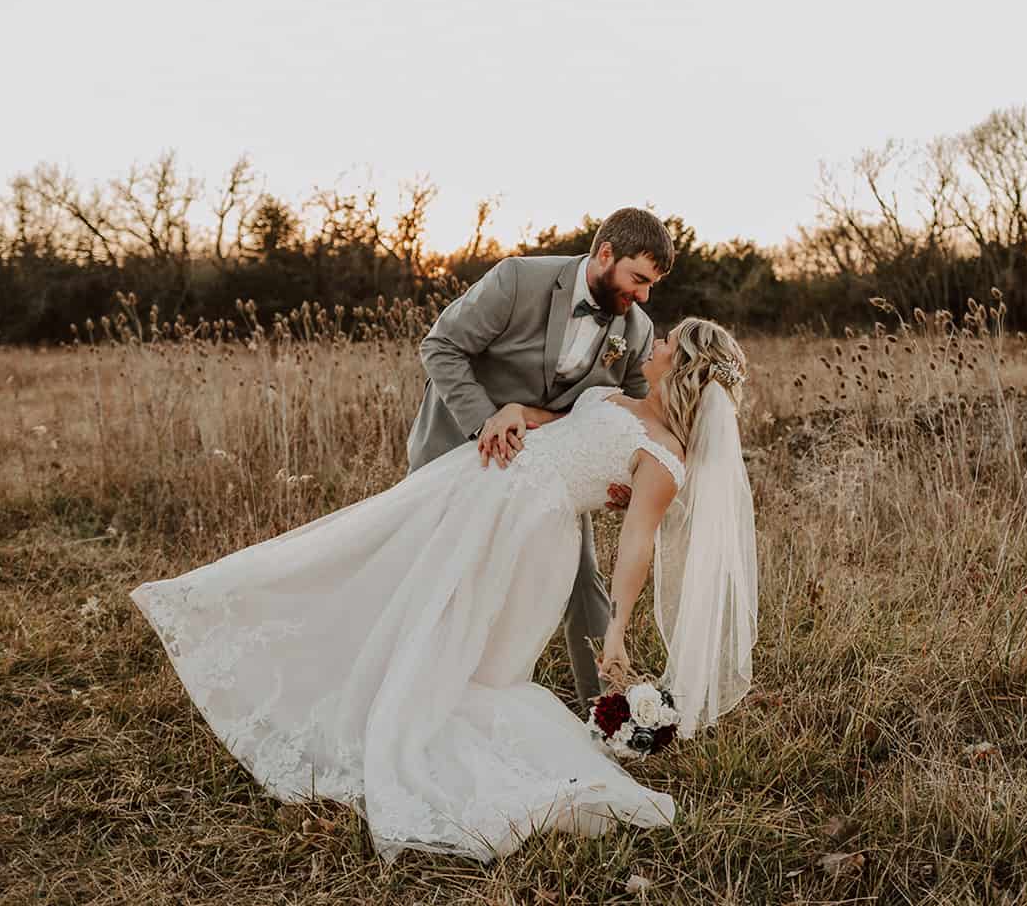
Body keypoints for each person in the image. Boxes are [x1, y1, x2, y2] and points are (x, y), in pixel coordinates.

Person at [130, 291, 758, 867]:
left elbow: (636, 546)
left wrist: (616, 631)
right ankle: (262, 621)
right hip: (477, 487)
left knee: (473, 657)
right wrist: (513, 409)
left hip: (530, 534)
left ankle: (423, 739)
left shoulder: (663, 458)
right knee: (378, 567)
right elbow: (550, 421)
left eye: (671, 344)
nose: (659, 345)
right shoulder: (612, 397)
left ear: (686, 370)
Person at [407, 207, 674, 711]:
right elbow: (440, 346)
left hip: (553, 468)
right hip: (459, 448)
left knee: (581, 579)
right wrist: (484, 421)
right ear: (605, 253)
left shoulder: (636, 329)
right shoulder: (516, 280)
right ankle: (417, 692)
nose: (643, 296)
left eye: (652, 285)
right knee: (436, 574)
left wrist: (629, 473)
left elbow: (637, 414)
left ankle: (606, 713)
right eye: (638, 279)